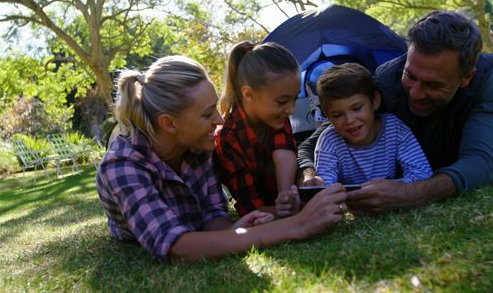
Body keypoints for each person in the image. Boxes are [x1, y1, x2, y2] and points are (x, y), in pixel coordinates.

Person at [95, 56, 349, 262]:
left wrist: (236, 228)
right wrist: (298, 225)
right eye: (207, 114)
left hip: (193, 227)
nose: (218, 120)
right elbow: (177, 247)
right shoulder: (123, 165)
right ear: (169, 123)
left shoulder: (199, 147)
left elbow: (213, 214)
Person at [298, 10, 493, 212]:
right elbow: (315, 142)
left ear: (466, 78)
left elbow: (479, 162)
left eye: (434, 85)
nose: (416, 93)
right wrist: (309, 175)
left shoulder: (489, 80)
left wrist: (408, 194)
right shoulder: (385, 80)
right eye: (410, 76)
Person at [215, 42, 302, 218]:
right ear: (249, 94)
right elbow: (249, 206)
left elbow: (284, 151)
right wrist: (282, 211)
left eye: (294, 99)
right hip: (262, 206)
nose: (292, 110)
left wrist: (286, 197)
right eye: (283, 101)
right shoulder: (227, 137)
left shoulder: (276, 115)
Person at [313, 63, 433, 186]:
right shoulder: (329, 140)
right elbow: (325, 187)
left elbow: (422, 173)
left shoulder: (394, 129)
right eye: (337, 115)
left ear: (375, 101)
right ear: (328, 117)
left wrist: (392, 188)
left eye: (357, 108)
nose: (349, 120)